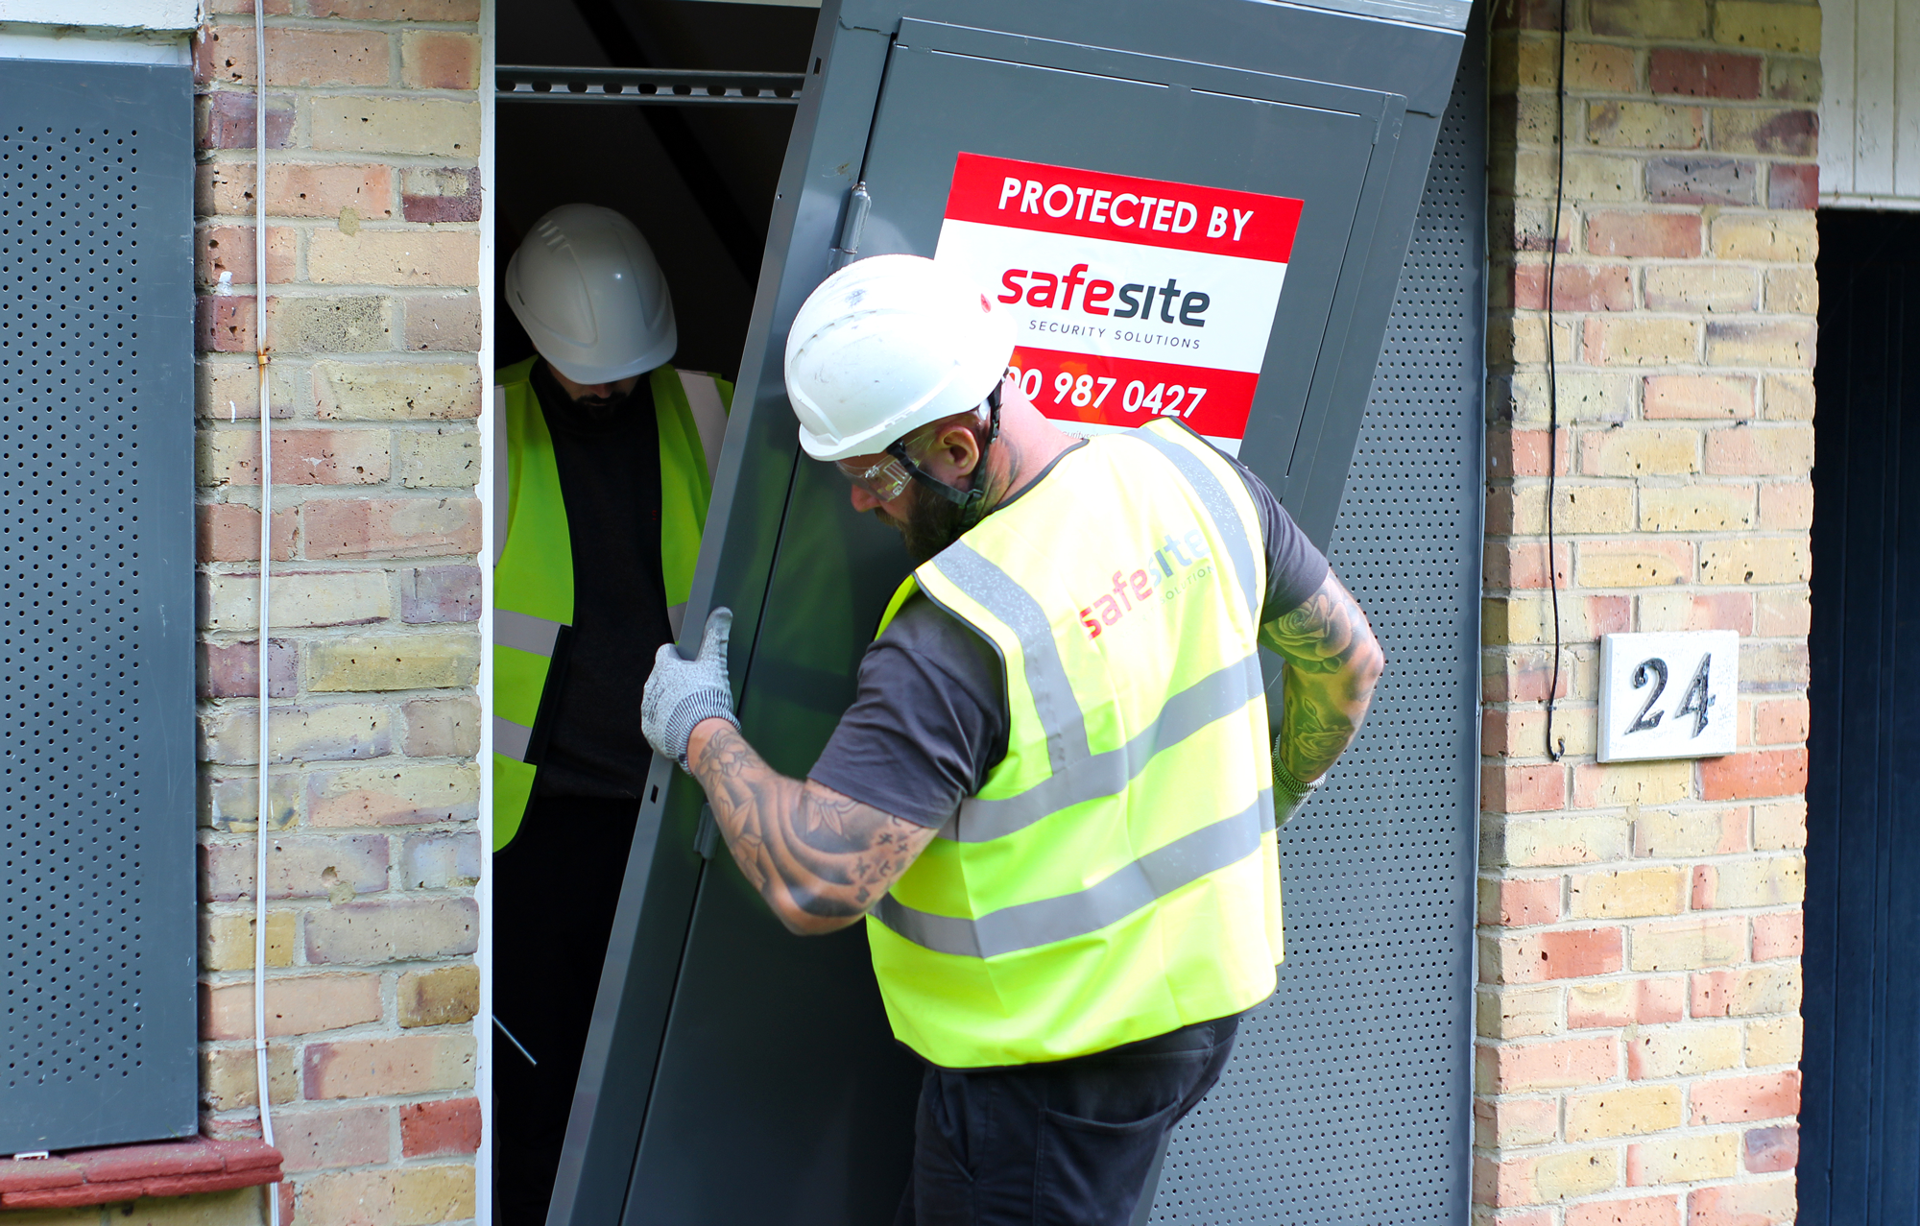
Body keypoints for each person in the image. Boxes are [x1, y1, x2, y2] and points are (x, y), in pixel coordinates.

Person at [640, 254, 1383, 1226]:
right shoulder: (1191, 477)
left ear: (955, 446)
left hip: (1050, 1075)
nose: (859, 502)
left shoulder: (957, 633)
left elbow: (814, 878)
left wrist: (701, 727)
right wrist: (1272, 797)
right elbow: (1350, 663)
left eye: (870, 475)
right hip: (1190, 1011)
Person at [491, 203, 730, 1223]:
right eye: (589, 368)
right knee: (534, 1065)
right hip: (536, 817)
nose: (612, 385)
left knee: (666, 1053)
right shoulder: (483, 422)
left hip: (678, 798)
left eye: (626, 367)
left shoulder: (713, 406)